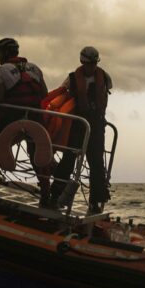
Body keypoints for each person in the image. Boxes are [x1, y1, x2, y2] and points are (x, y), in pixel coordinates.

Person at [45, 46, 113, 214]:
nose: (91, 67)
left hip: (96, 126)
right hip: (78, 125)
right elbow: (62, 95)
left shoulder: (105, 78)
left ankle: (96, 202)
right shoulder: (71, 79)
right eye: (88, 63)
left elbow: (104, 97)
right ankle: (55, 196)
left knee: (96, 163)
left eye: (94, 63)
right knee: (68, 160)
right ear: (82, 62)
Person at [0, 38, 49, 197]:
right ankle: (46, 192)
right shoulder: (35, 68)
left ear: (4, 53)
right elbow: (44, 93)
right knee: (36, 151)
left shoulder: (2, 70)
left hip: (13, 116)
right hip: (35, 117)